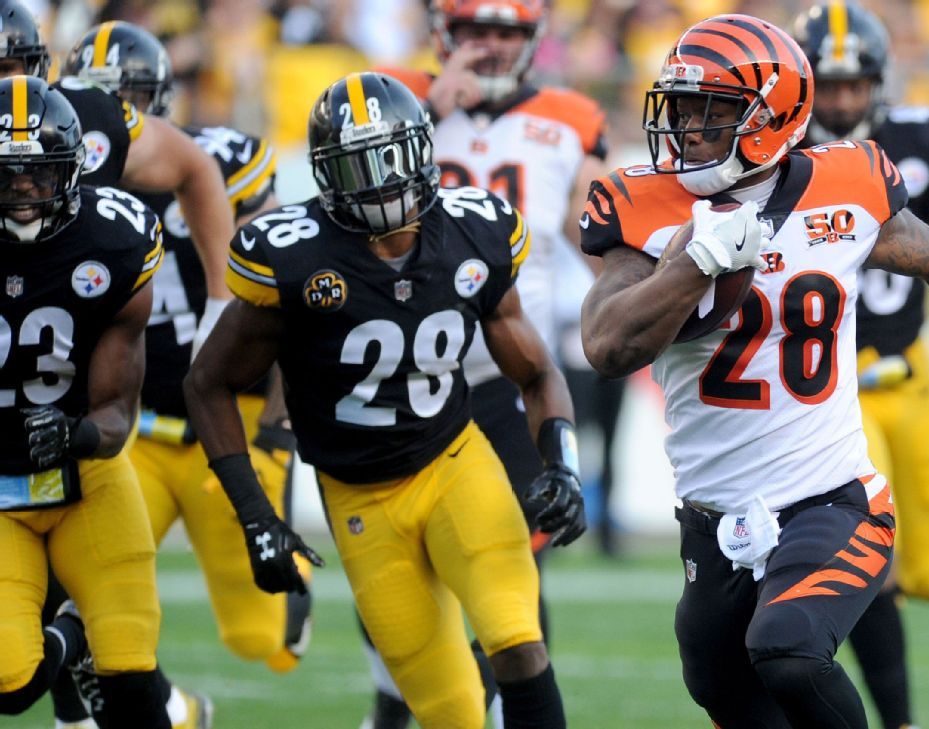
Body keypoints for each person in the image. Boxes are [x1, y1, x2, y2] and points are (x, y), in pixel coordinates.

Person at [579, 14, 929, 729]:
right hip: (713, 518)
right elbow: (608, 348)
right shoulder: (643, 205)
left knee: (788, 649)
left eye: (713, 111)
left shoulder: (846, 184)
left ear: (775, 115)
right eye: (680, 108)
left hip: (831, 498)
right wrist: (693, 261)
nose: (687, 129)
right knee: (722, 687)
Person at [184, 71, 584, 729]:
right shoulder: (293, 253)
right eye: (357, 166)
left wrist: (560, 462)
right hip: (359, 495)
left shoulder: (474, 231)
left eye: (391, 159)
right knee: (451, 710)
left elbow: (537, 371)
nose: (381, 184)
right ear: (323, 174)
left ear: (424, 151)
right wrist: (254, 513)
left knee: (517, 638)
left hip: (456, 462)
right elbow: (208, 383)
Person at [366, 2, 605, 723]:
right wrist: (425, 113)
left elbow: (593, 232)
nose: (492, 46)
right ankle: (392, 701)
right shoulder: (389, 95)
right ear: (446, 35)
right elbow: (342, 209)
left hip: (506, 374)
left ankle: (505, 711)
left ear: (532, 41)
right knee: (395, 569)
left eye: (507, 32)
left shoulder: (569, 116)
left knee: (514, 561)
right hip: (402, 372)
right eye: (477, 30)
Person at [78, 21, 312, 680]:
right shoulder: (55, 187)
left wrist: (277, 431)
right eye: (100, 99)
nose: (115, 116)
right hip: (133, 434)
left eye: (128, 96)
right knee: (87, 595)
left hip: (225, 420)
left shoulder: (221, 163)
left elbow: (288, 302)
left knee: (257, 637)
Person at [791, 3, 929, 728]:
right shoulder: (782, 152)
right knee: (872, 567)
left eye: (853, 86)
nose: (839, 103)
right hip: (834, 385)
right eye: (825, 87)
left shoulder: (921, 137)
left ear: (878, 82)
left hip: (911, 369)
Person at [0, 75, 172, 729]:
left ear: (71, 170)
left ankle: (86, 647)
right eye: (7, 174)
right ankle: (67, 645)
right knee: (11, 685)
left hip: (87, 480)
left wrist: (77, 434)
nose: (22, 190)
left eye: (37, 173)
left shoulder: (113, 241)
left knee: (130, 669)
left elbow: (117, 413)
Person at [0, 4, 236, 355]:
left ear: (35, 67)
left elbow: (196, 166)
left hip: (76, 345)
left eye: (5, 68)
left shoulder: (82, 114)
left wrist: (221, 305)